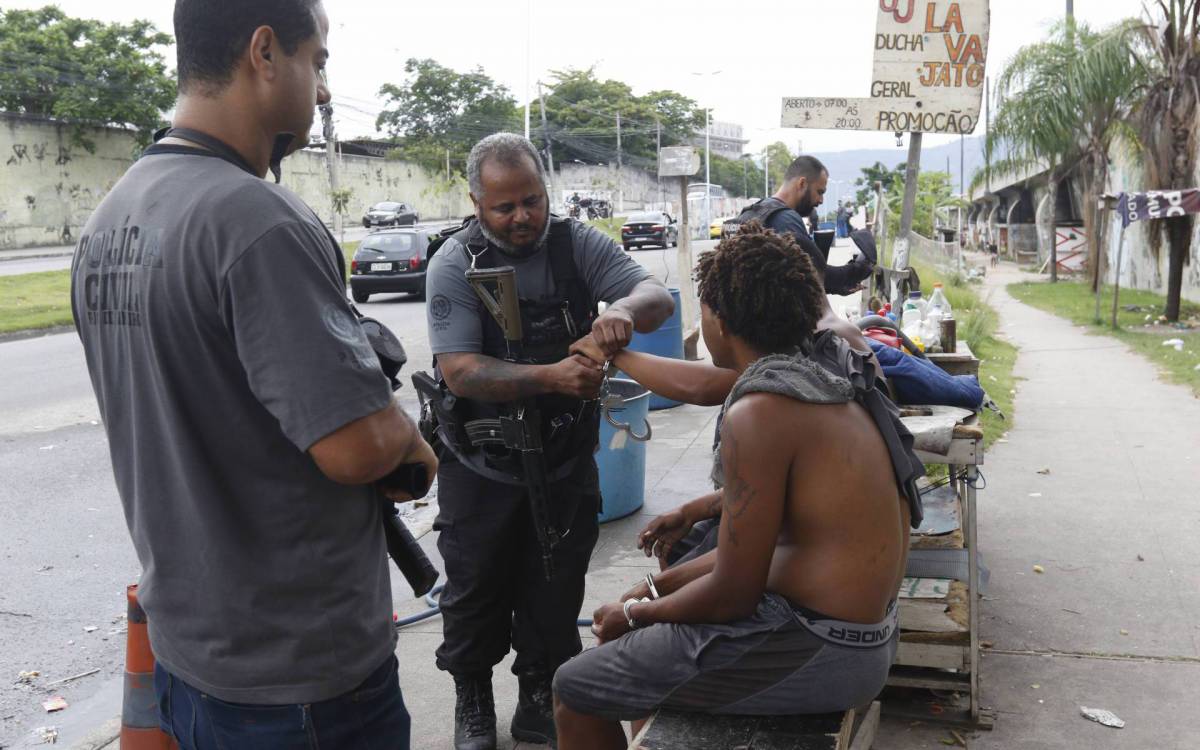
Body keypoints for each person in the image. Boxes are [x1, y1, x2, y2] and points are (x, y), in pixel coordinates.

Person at [69, 2, 438, 748]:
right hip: (302, 681)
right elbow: (359, 449)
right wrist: (409, 437)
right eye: (319, 62)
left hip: (188, 658)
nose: (324, 90)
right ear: (265, 53)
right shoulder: (258, 220)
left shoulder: (109, 220)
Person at [552, 224, 917, 749]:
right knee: (647, 643)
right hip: (862, 636)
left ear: (719, 321)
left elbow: (733, 591)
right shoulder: (818, 377)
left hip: (820, 647)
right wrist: (657, 590)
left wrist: (634, 613)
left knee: (576, 687)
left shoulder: (761, 411)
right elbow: (765, 544)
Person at [424, 133, 674, 750]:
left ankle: (540, 693)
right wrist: (551, 377)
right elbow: (460, 371)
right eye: (504, 207)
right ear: (477, 203)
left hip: (563, 458)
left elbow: (655, 295)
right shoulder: (454, 262)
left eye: (532, 201)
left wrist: (622, 311)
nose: (522, 217)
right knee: (475, 586)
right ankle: (473, 698)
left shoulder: (574, 243)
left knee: (556, 584)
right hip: (480, 462)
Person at [735, 156, 874, 296]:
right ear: (802, 184)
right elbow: (813, 275)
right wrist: (859, 268)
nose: (821, 200)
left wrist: (834, 288)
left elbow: (783, 278)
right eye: (819, 192)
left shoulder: (749, 213)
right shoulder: (785, 219)